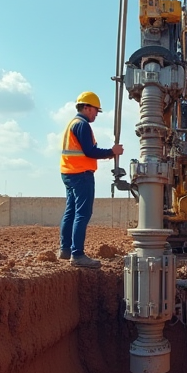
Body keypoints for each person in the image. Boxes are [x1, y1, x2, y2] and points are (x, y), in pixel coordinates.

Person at [59, 91, 125, 268]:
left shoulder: (73, 123)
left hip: (69, 173)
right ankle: (77, 254)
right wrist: (112, 152)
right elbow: (89, 151)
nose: (96, 113)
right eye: (96, 110)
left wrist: (109, 154)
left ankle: (65, 250)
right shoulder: (82, 125)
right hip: (81, 174)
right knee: (82, 213)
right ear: (87, 107)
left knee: (71, 212)